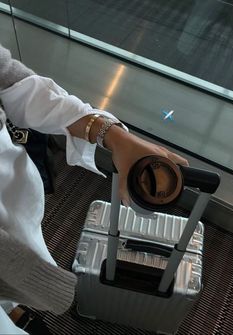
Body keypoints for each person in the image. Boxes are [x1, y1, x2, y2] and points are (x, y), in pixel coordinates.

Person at [0, 43, 188, 334]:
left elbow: (13, 82)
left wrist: (111, 135)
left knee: (23, 244)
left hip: (10, 186)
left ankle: (9, 306)